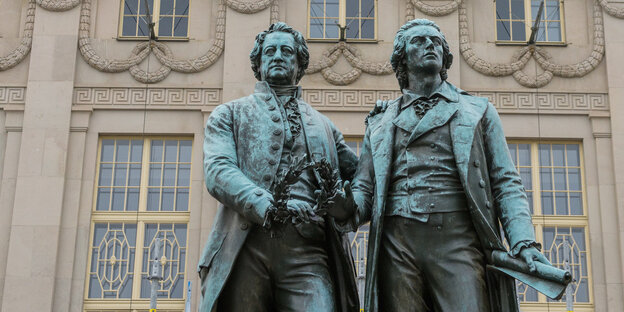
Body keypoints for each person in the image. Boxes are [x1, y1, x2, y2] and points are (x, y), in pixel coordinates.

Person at [329, 19, 550, 312]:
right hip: (398, 245)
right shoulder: (380, 121)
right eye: (419, 41)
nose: (429, 45)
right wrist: (346, 206)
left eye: (435, 41)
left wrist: (523, 242)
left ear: (445, 55)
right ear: (402, 58)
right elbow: (364, 189)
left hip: (456, 241)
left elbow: (506, 182)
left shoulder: (477, 110)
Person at [197, 22, 359, 312]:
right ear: (258, 63)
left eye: (287, 51)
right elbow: (218, 171)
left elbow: (362, 181)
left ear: (299, 63)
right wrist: (264, 204)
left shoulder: (325, 127)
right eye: (270, 51)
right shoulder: (230, 114)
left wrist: (383, 125)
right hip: (248, 247)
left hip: (309, 251)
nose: (278, 56)